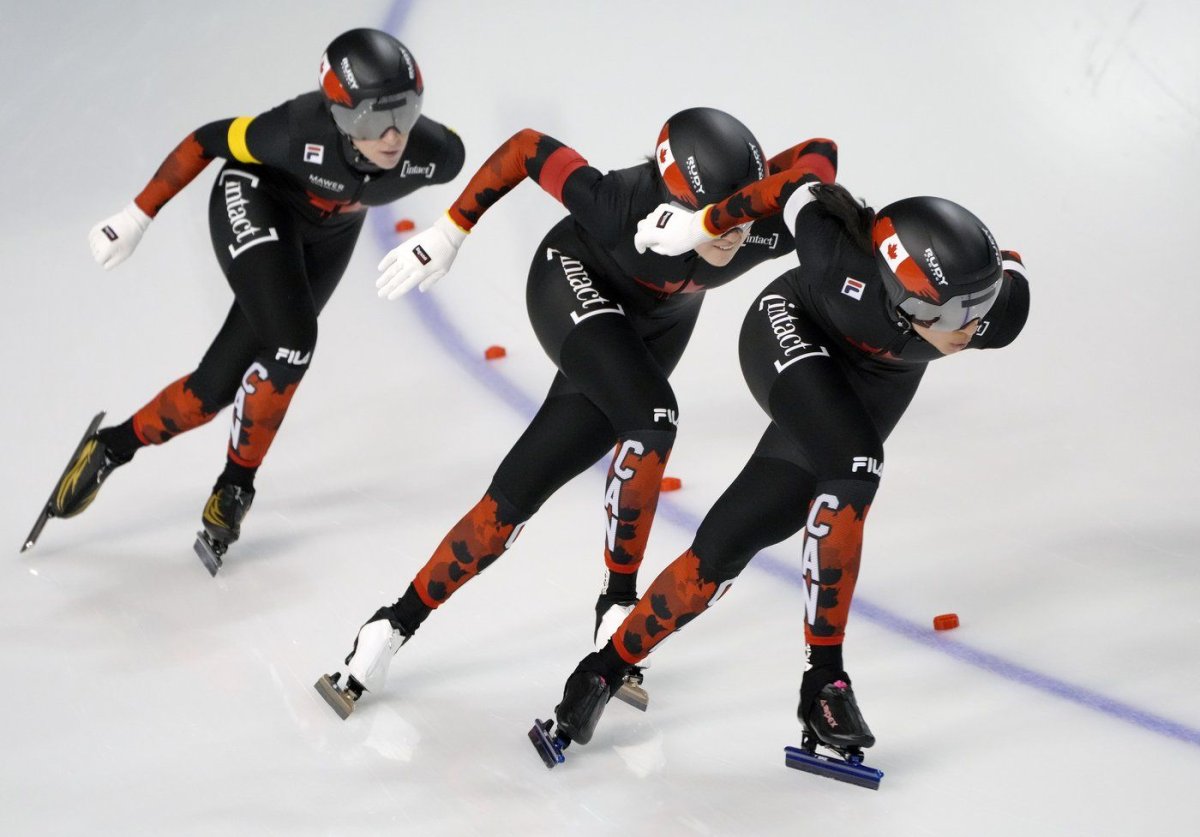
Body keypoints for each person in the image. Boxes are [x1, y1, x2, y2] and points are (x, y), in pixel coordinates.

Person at [314, 107, 840, 717]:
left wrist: (755, 204)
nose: (732, 235)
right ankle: (618, 601)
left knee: (517, 494)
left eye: (741, 217)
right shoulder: (618, 203)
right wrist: (450, 230)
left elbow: (820, 152)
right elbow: (528, 147)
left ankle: (389, 627)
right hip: (572, 284)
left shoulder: (754, 222)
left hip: (653, 329)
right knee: (654, 415)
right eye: (716, 219)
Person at [536, 183, 1031, 774]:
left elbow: (999, 278)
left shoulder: (997, 311)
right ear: (899, 295)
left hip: (871, 387)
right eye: (946, 312)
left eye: (978, 306)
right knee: (855, 462)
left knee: (730, 541)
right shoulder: (835, 256)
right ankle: (825, 683)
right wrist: (704, 226)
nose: (967, 327)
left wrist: (978, 291)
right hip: (790, 330)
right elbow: (798, 180)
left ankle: (601, 670)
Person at [33, 29, 464, 572]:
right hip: (257, 199)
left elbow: (479, 171)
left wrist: (451, 233)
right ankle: (236, 487)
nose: (394, 133)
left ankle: (110, 447)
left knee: (209, 392)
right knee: (294, 342)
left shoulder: (435, 154)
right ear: (338, 114)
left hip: (330, 234)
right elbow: (205, 140)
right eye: (374, 118)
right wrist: (137, 215)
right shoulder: (291, 131)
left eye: (406, 110)